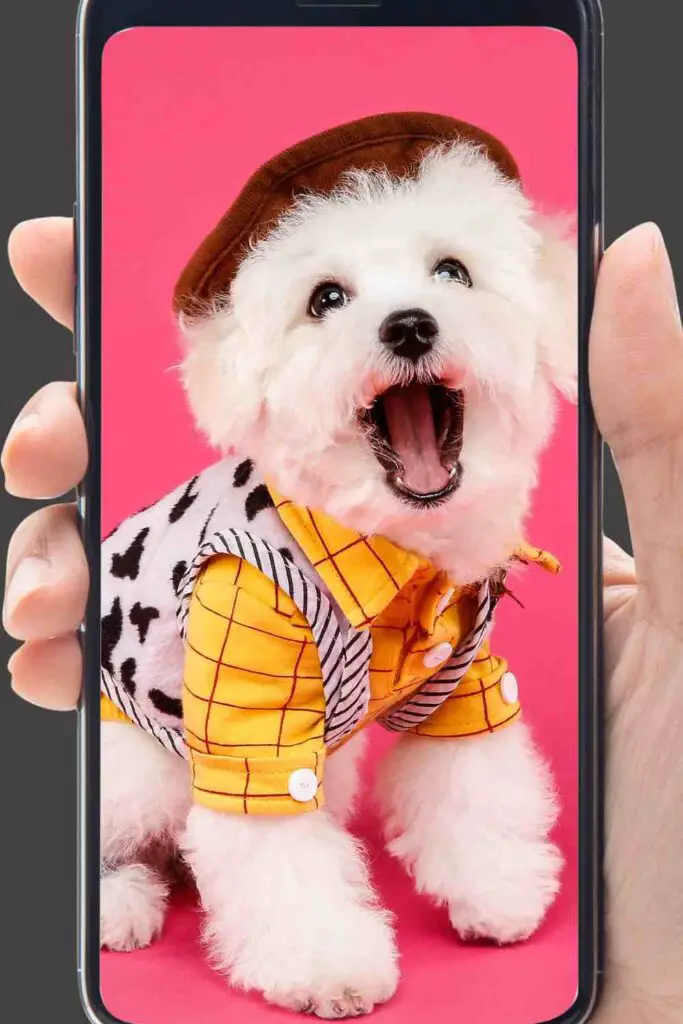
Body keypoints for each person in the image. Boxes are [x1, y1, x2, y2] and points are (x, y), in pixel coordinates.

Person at [3, 217, 682, 1024]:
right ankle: (125, 870)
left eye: (452, 269)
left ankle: (468, 868)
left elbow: (456, 703)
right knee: (164, 773)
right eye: (327, 297)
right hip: (168, 728)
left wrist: (498, 878)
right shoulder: (254, 578)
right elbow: (246, 749)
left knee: (399, 726)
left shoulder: (464, 551)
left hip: (303, 729)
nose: (408, 316)